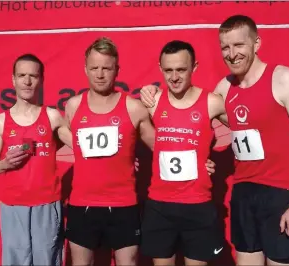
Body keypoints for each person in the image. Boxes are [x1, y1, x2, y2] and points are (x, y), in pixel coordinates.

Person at [140, 15, 289, 266]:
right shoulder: (224, 89)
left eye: (239, 45)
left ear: (257, 43)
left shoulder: (284, 79)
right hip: (243, 192)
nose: (232, 53)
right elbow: (196, 123)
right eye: (225, 47)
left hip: (281, 193)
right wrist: (201, 160)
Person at [61, 37, 216, 266]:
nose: (100, 74)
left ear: (117, 70)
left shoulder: (134, 108)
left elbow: (163, 144)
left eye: (107, 68)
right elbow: (63, 134)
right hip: (82, 204)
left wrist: (199, 159)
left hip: (124, 204)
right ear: (86, 69)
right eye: (94, 68)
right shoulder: (73, 106)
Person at [138, 40, 226, 266]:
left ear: (194, 67)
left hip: (197, 204)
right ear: (160, 69)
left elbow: (250, 125)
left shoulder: (213, 102)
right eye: (168, 70)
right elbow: (127, 129)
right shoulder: (152, 101)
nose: (174, 77)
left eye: (181, 69)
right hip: (160, 205)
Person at [0, 54, 71, 266]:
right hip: (13, 204)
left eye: (33, 75)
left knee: (47, 260)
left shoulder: (52, 116)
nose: (27, 81)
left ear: (41, 79)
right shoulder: (0, 121)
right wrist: (5, 163)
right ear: (13, 80)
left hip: (46, 203)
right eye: (21, 75)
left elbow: (82, 147)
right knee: (16, 261)